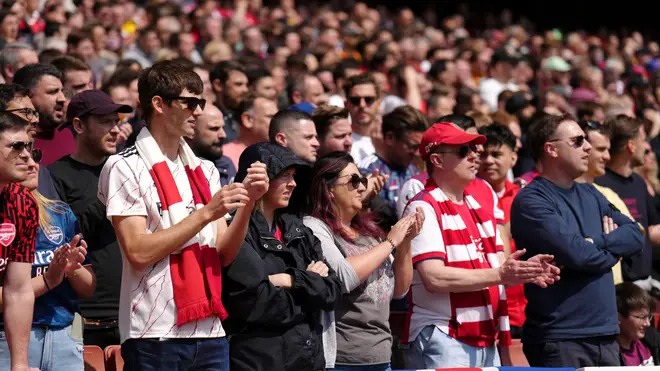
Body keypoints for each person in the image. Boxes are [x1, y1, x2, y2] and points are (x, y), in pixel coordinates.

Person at [99, 60, 268, 370]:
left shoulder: (205, 170)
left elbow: (223, 253)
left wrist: (247, 204)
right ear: (159, 104)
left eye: (201, 102)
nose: (199, 111)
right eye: (190, 102)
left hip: (211, 330)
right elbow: (137, 251)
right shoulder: (123, 167)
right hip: (153, 332)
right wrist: (206, 213)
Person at [402, 122, 559, 368]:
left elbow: (497, 272)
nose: (476, 155)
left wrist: (524, 272)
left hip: (485, 335)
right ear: (437, 160)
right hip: (444, 334)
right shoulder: (423, 206)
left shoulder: (478, 206)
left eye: (475, 149)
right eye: (464, 151)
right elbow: (435, 278)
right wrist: (501, 274)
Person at [511, 114, 645, 368]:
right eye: (578, 141)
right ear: (551, 149)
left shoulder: (590, 193)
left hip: (605, 334)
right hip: (561, 338)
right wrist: (611, 249)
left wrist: (595, 242)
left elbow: (635, 235)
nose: (588, 147)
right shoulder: (531, 201)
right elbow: (578, 254)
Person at [222, 142, 342, 371]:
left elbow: (333, 291)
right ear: (260, 180)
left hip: (307, 359)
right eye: (284, 175)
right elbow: (257, 302)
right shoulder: (236, 232)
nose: (293, 183)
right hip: (260, 361)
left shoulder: (298, 230)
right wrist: (310, 286)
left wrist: (291, 280)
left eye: (294, 176)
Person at [303, 152, 424, 370]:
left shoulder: (369, 232)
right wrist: (390, 242)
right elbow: (344, 277)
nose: (361, 188)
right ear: (329, 189)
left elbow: (400, 290)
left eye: (363, 181)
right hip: (342, 358)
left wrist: (405, 242)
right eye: (353, 181)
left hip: (380, 355)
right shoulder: (315, 227)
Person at [48, 90, 132, 349]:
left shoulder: (127, 169)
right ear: (79, 125)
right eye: (106, 122)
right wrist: (108, 192)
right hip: (83, 320)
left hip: (134, 313)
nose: (116, 130)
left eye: (116, 122)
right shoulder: (55, 176)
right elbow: (63, 240)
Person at [0, 157, 95, 371]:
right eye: (18, 152)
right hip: (9, 340)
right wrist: (48, 279)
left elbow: (89, 287)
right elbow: (10, 293)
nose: (32, 163)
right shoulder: (5, 218)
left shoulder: (61, 213)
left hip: (63, 336)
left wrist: (71, 270)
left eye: (35, 154)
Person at [595, 115, 660, 286]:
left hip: (644, 280)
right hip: (617, 284)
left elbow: (651, 231)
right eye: (644, 140)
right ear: (631, 146)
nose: (647, 147)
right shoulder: (598, 184)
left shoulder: (639, 182)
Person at [476, 123, 526, 337]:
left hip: (525, 311)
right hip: (482, 312)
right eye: (484, 155)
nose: (488, 161)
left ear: (513, 158)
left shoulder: (526, 199)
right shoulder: (464, 199)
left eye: (496, 154)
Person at [0, 112, 39, 371]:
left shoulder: (21, 201)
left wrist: (20, 365)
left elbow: (19, 291)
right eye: (16, 146)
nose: (26, 155)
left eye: (28, 146)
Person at [575, 119, 634, 284]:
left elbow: (634, 238)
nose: (607, 157)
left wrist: (600, 241)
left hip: (614, 291)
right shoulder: (559, 195)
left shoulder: (609, 194)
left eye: (608, 150)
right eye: (601, 149)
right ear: (583, 148)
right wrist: (612, 241)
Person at [358, 105, 427, 213]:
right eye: (412, 146)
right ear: (390, 138)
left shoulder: (412, 170)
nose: (418, 153)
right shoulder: (367, 170)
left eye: (420, 147)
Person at [12, 63, 69, 166]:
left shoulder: (71, 135)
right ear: (27, 96)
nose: (62, 99)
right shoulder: (10, 145)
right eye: (52, 92)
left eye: (62, 91)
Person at [185, 104, 236, 187]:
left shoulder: (226, 165)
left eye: (223, 128)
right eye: (214, 128)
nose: (223, 135)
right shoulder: (178, 168)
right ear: (191, 131)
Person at [222, 94, 277, 168]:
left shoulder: (280, 154)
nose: (277, 122)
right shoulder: (225, 156)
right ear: (248, 120)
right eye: (270, 117)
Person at [616, 282, 660, 366]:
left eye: (649, 316)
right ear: (618, 318)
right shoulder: (608, 359)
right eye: (642, 317)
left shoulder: (652, 341)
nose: (647, 323)